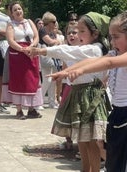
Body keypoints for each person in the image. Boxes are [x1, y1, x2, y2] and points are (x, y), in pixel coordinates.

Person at [48, 11, 127, 172]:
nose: (111, 41)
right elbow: (93, 60)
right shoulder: (117, 52)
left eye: (116, 37)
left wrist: (80, 72)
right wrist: (67, 72)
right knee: (115, 160)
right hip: (118, 113)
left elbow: (108, 63)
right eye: (111, 36)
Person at [27, 12, 110, 172]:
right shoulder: (83, 48)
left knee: (91, 140)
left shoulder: (95, 50)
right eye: (76, 31)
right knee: (81, 139)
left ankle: (94, 170)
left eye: (82, 31)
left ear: (95, 33)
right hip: (78, 94)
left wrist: (42, 51)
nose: (77, 34)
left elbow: (67, 51)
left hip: (90, 95)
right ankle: (85, 169)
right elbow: (68, 52)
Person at [1, 2, 43, 120]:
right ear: (12, 13)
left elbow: (36, 37)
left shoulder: (29, 22)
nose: (18, 11)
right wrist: (22, 49)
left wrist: (31, 47)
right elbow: (10, 40)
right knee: (19, 80)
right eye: (15, 10)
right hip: (17, 55)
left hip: (31, 53)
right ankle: (19, 110)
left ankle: (31, 109)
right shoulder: (11, 24)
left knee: (32, 79)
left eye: (19, 9)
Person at [39, 11, 62, 109]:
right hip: (44, 56)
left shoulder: (52, 33)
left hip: (52, 56)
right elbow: (50, 42)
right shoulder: (42, 30)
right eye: (54, 21)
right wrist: (57, 41)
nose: (56, 23)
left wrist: (56, 42)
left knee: (53, 80)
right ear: (49, 22)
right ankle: (38, 102)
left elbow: (56, 42)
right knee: (47, 80)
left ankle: (52, 102)